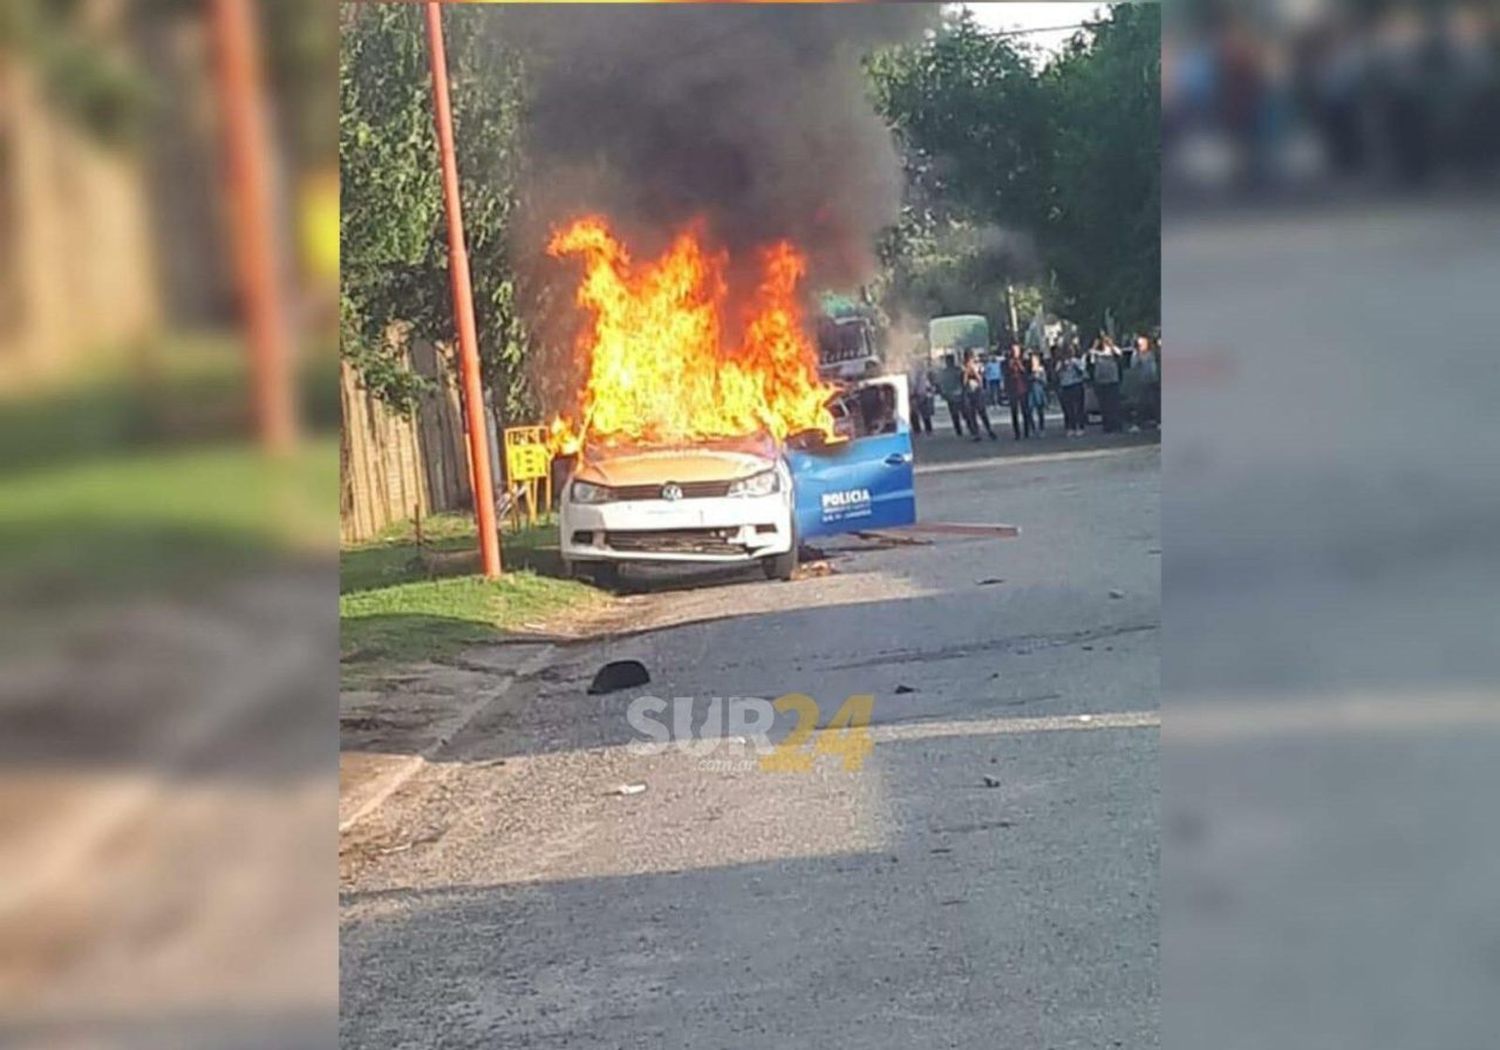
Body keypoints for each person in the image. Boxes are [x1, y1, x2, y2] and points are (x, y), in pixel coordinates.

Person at [962, 349, 997, 441]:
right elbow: (963, 382)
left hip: (978, 391)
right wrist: (966, 372)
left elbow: (981, 380)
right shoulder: (963, 368)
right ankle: (976, 433)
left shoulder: (978, 366)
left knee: (982, 412)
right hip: (968, 392)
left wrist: (974, 371)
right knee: (971, 414)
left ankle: (989, 430)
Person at [1091, 334, 1123, 433]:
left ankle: (1116, 425)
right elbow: (1091, 359)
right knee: (1104, 406)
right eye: (1104, 343)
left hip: (1113, 381)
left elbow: (1119, 353)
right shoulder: (1097, 354)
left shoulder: (1113, 354)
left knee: (1114, 405)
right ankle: (1107, 426)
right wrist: (1094, 346)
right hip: (1101, 382)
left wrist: (1112, 345)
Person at [1056, 345, 1088, 436]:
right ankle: (1071, 427)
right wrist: (1063, 366)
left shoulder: (1077, 361)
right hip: (1066, 386)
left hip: (1076, 385)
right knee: (1068, 408)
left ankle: (1080, 427)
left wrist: (1074, 365)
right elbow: (1057, 374)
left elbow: (1082, 372)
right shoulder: (1061, 363)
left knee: (1078, 407)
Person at [1003, 342, 1033, 440]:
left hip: (1023, 388)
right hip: (1012, 389)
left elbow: (1027, 372)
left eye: (1016, 350)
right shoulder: (1006, 362)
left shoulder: (1024, 361)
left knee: (1025, 411)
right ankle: (1017, 433)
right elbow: (1005, 375)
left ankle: (1027, 431)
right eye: (1013, 350)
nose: (1014, 352)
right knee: (1014, 412)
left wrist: (1019, 364)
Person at [1134, 334, 1160, 429]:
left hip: (1154, 379)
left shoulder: (1153, 353)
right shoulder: (1137, 355)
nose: (1141, 346)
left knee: (1156, 402)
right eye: (1139, 344)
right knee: (1142, 403)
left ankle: (1159, 421)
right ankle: (1138, 423)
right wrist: (1137, 354)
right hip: (1143, 381)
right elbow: (1133, 365)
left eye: (1142, 344)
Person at [937, 354, 967, 437]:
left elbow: (940, 384)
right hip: (957, 394)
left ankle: (959, 430)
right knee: (961, 413)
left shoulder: (948, 372)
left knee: (957, 414)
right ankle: (964, 429)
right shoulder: (957, 370)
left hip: (953, 395)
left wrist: (943, 393)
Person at [1026, 350, 1049, 435]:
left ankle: (1041, 428)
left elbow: (1045, 382)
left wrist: (1038, 378)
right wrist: (1031, 378)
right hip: (1031, 392)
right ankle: (1033, 428)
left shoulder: (1041, 370)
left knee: (1040, 410)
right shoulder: (1028, 370)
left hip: (1039, 391)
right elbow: (1026, 380)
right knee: (1029, 410)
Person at [910, 364, 935, 435]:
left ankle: (922, 430)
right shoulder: (921, 377)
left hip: (919, 396)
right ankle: (923, 430)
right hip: (917, 396)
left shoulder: (922, 377)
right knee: (917, 414)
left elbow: (928, 387)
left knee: (920, 414)